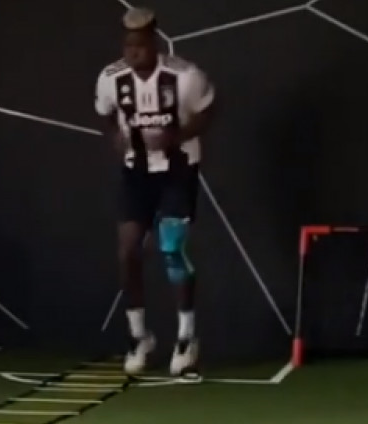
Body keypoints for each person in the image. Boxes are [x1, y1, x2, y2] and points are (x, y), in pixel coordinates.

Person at [94, 7, 215, 375]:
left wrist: (178, 135)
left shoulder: (184, 76)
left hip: (177, 171)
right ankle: (139, 336)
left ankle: (186, 337)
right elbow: (105, 114)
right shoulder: (110, 79)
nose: (134, 52)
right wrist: (116, 136)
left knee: (171, 249)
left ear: (154, 42)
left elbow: (208, 111)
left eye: (141, 45)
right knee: (128, 250)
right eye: (128, 45)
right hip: (136, 173)